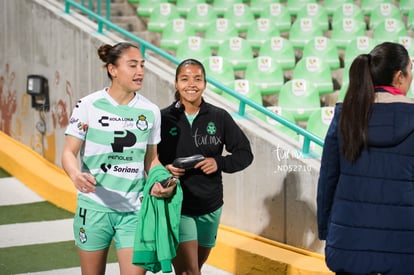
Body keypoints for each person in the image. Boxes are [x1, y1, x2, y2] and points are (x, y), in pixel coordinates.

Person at [61, 42, 175, 275]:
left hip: (135, 210)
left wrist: (165, 181)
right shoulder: (88, 105)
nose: (140, 71)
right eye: (132, 65)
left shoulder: (150, 111)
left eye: (142, 65)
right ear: (112, 69)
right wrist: (75, 175)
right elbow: (68, 153)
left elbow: (151, 161)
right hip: (93, 208)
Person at [317, 41, 414, 274]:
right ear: (399, 77)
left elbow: (328, 178)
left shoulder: (344, 113)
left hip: (348, 240)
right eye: (411, 70)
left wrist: (327, 230)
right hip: (404, 243)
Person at [158, 58, 254, 275]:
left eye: (197, 79)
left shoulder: (219, 117)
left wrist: (218, 162)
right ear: (176, 83)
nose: (191, 84)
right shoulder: (163, 118)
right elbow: (149, 158)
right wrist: (165, 168)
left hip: (211, 205)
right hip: (178, 203)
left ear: (204, 84)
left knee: (192, 269)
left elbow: (245, 153)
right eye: (185, 79)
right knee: (191, 271)